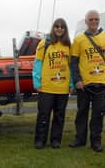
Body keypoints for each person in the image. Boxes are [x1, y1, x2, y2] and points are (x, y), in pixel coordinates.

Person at [69, 10, 105, 152]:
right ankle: (80, 139)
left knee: (98, 114)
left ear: (99, 21)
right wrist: (77, 80)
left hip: (102, 83)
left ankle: (96, 142)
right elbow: (73, 63)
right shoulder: (79, 39)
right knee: (82, 113)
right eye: (91, 19)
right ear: (86, 21)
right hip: (84, 84)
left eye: (96, 19)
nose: (94, 22)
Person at [32, 18, 74, 149]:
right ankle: (40, 140)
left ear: (65, 29)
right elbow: (38, 63)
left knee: (59, 116)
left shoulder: (68, 45)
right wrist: (37, 81)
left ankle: (56, 140)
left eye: (62, 27)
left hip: (62, 88)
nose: (59, 29)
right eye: (57, 26)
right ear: (53, 28)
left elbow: (71, 66)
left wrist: (71, 84)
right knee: (43, 115)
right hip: (46, 87)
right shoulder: (45, 43)